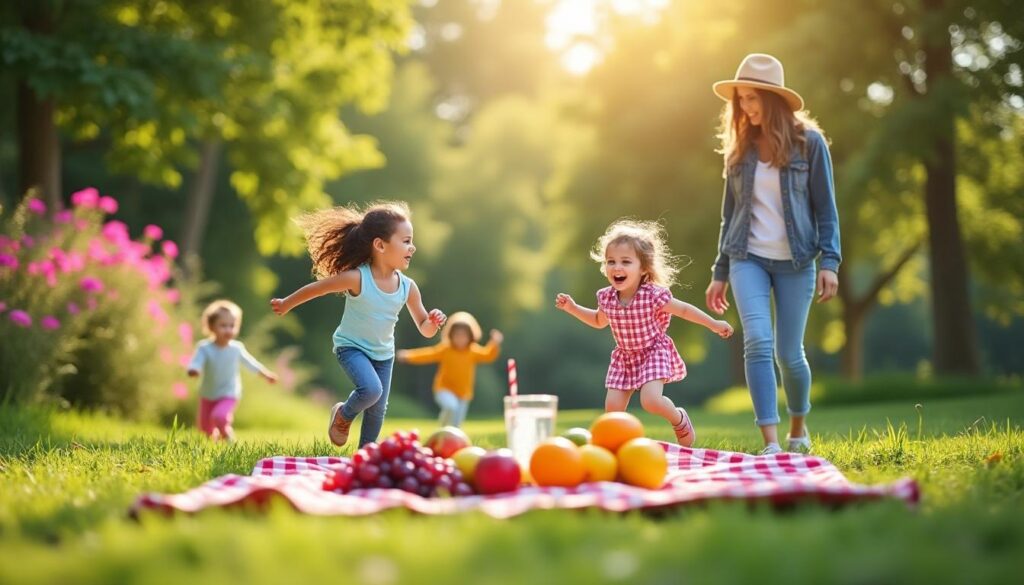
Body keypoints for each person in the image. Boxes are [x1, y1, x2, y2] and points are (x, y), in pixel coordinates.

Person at [706, 53, 842, 455]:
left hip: (797, 261)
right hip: (747, 257)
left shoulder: (809, 143)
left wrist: (830, 263)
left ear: (773, 99)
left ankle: (798, 429)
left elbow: (826, 209)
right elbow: (728, 215)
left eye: (752, 98)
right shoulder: (739, 148)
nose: (745, 107)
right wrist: (720, 270)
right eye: (741, 99)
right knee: (758, 343)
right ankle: (769, 442)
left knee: (789, 354)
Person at [270, 201, 446, 448]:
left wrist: (433, 322)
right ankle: (343, 415)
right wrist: (288, 303)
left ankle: (366, 454)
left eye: (411, 241)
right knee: (371, 390)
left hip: (383, 355)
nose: (412, 247)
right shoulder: (358, 278)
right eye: (406, 241)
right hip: (351, 347)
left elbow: (425, 328)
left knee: (377, 409)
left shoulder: (408, 287)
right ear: (380, 245)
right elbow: (318, 289)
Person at [556, 219, 734, 446]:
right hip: (625, 357)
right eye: (611, 261)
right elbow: (599, 321)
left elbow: (685, 310)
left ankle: (679, 419)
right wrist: (573, 308)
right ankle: (619, 446)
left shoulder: (653, 295)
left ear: (643, 269)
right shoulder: (607, 297)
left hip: (653, 352)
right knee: (612, 411)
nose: (617, 267)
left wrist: (713, 324)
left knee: (651, 401)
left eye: (626, 262)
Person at [187, 299, 277, 441]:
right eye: (223, 326)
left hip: (229, 393)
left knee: (220, 416)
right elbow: (196, 361)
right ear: (211, 327)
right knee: (204, 428)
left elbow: (250, 363)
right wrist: (194, 369)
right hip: (207, 394)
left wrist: (266, 374)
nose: (228, 330)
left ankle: (227, 436)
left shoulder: (236, 348)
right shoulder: (204, 348)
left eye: (232, 325)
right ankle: (214, 442)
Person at [397, 311, 503, 427]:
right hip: (444, 389)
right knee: (451, 406)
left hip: (463, 393)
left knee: (456, 425)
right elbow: (427, 354)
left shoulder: (472, 351)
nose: (460, 338)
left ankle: (452, 439)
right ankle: (442, 430)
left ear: (470, 336)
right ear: (451, 335)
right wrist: (408, 356)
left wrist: (494, 343)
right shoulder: (446, 349)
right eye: (457, 335)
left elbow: (488, 355)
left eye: (464, 335)